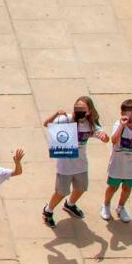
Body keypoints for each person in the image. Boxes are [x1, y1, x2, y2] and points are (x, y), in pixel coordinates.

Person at [42, 96, 106, 227]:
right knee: (61, 191)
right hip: (65, 164)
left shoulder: (91, 124)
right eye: (77, 108)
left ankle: (69, 204)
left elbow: (104, 137)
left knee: (81, 188)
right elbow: (46, 124)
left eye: (82, 108)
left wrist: (104, 136)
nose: (79, 110)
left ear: (89, 111)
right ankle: (48, 210)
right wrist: (55, 114)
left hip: (81, 164)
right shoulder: (66, 119)